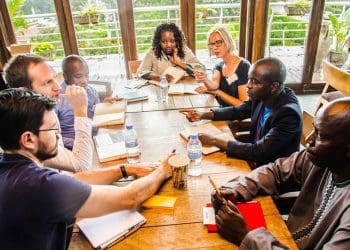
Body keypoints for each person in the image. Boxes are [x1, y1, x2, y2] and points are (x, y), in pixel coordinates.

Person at [0, 88, 172, 249]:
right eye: (53, 128)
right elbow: (130, 198)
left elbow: (72, 181)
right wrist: (163, 170)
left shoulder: (9, 166)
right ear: (28, 139)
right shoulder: (39, 185)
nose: (59, 133)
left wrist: (126, 169)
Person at [210, 97, 350, 249]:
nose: (309, 140)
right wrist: (239, 189)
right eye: (313, 129)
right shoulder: (322, 159)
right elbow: (276, 171)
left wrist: (244, 235)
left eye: (320, 136)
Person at [180, 57, 302, 167]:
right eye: (249, 79)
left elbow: (259, 152)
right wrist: (203, 115)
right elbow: (238, 111)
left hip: (272, 169)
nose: (248, 85)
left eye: (255, 81)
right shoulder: (266, 94)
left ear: (274, 86)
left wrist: (214, 141)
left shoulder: (288, 114)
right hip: (255, 155)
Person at [3, 54, 92, 172]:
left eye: (55, 79)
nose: (58, 88)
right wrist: (80, 111)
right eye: (47, 83)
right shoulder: (32, 130)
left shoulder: (45, 110)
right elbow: (81, 165)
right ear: (25, 92)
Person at [58, 55, 118, 150]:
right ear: (65, 76)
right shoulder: (56, 98)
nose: (84, 81)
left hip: (95, 137)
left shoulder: (91, 91)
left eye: (87, 75)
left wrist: (102, 106)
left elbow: (95, 115)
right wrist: (81, 143)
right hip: (73, 148)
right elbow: (53, 138)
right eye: (78, 76)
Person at [195, 27, 250, 107]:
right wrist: (205, 79)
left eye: (218, 42)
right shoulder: (218, 66)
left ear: (228, 41)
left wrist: (218, 92)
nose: (214, 48)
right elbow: (214, 86)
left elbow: (243, 105)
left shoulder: (244, 67)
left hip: (238, 117)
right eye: (212, 44)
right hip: (222, 111)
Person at [137, 22, 204, 81]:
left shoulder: (184, 50)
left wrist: (179, 63)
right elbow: (141, 72)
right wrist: (160, 77)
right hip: (161, 89)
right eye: (164, 42)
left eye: (172, 41)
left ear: (177, 41)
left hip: (183, 88)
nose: (168, 45)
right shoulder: (153, 51)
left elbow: (202, 69)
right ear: (159, 42)